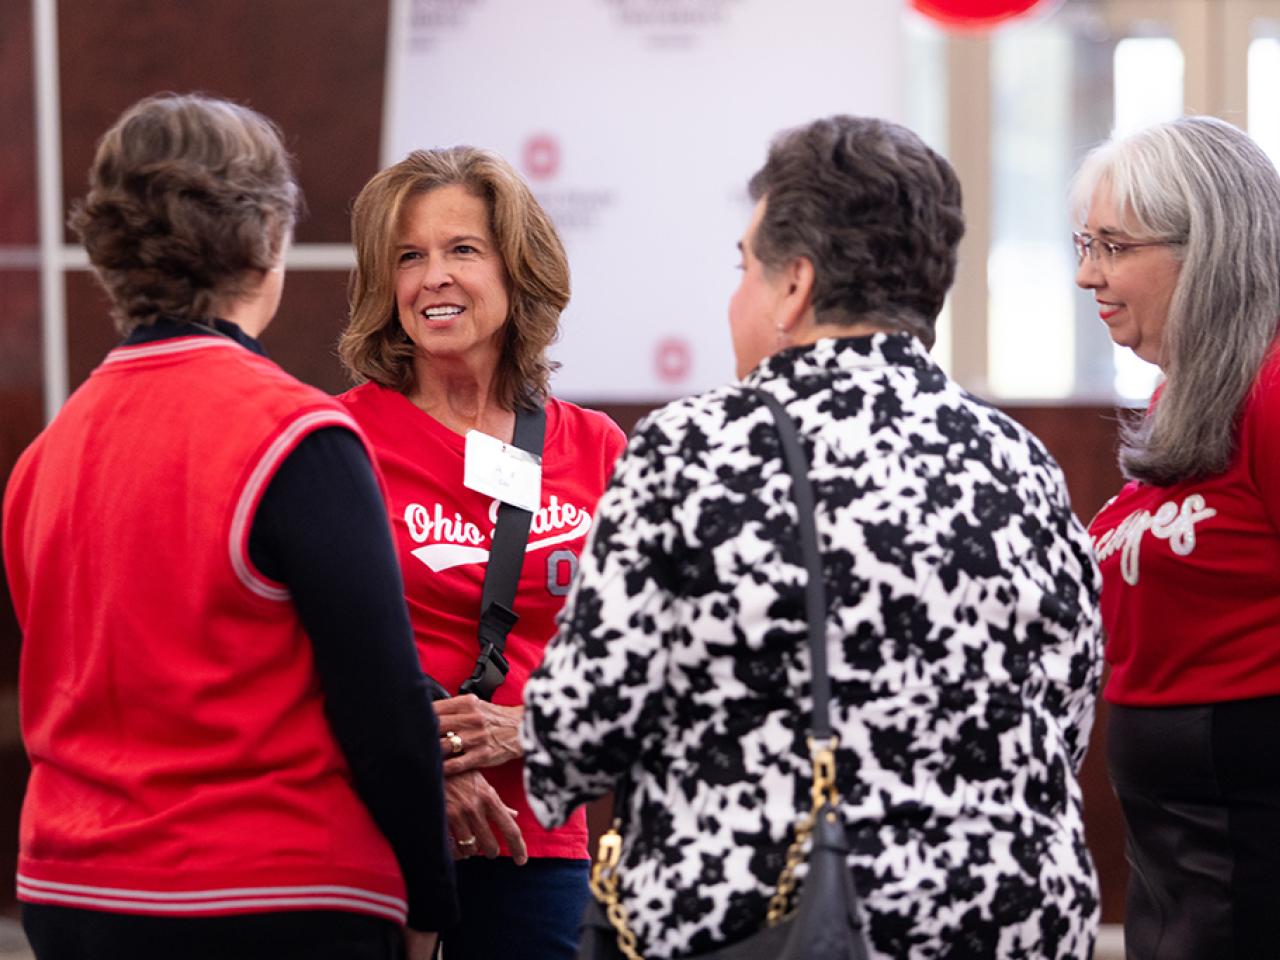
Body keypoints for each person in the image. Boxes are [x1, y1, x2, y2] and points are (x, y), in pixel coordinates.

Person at [522, 115, 1104, 959]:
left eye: (743, 267)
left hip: (773, 925)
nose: (736, 297)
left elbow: (578, 731)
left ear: (793, 286)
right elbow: (1066, 719)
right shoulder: (1022, 463)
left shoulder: (694, 449)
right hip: (1010, 923)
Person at [3, 94, 457, 960]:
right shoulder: (297, 435)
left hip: (72, 893)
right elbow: (380, 705)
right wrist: (431, 900)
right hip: (269, 894)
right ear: (269, 236)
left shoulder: (44, 457)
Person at [337, 146, 627, 959]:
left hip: (536, 844)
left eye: (461, 249)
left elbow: (640, 664)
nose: (433, 277)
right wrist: (436, 767)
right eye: (408, 256)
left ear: (517, 268)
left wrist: (528, 729)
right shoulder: (337, 441)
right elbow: (307, 644)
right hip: (374, 832)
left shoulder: (595, 447)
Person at [1075, 116, 1280, 959]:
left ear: (1212, 250)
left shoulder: (1270, 393)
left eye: (1114, 246)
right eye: (1084, 244)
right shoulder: (1183, 399)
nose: (1088, 274)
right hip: (1182, 859)